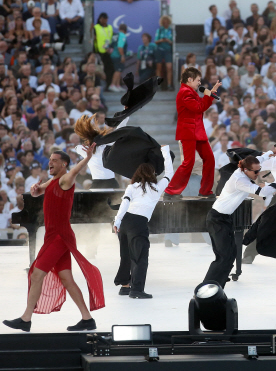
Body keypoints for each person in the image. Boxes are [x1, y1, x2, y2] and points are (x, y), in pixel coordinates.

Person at [3, 147, 104, 332]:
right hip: (56, 236)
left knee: (36, 274)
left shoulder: (65, 179)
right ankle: (87, 319)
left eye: (54, 160)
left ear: (63, 164)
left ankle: (26, 319)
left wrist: (87, 157)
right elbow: (39, 190)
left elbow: (74, 171)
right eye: (50, 159)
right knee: (67, 279)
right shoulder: (54, 180)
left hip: (59, 237)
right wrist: (35, 190)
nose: (50, 162)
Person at [204, 156, 276, 288]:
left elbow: (258, 157)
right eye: (255, 172)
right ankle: (208, 286)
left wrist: (269, 154)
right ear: (244, 170)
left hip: (225, 219)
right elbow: (263, 192)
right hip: (217, 219)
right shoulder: (239, 180)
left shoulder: (244, 172)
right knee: (224, 256)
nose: (258, 174)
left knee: (231, 254)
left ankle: (219, 282)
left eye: (259, 170)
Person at [113, 146, 173, 299]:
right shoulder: (156, 188)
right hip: (138, 223)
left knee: (125, 255)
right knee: (140, 257)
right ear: (152, 174)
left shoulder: (132, 186)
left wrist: (117, 221)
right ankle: (137, 290)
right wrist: (165, 152)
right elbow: (169, 174)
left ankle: (125, 287)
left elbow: (124, 203)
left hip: (126, 220)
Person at [165, 68, 220, 199]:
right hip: (189, 132)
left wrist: (210, 94)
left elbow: (201, 105)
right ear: (189, 79)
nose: (199, 83)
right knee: (188, 162)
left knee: (209, 159)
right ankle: (171, 191)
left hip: (197, 131)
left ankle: (205, 190)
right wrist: (208, 95)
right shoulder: (185, 92)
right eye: (198, 80)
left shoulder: (190, 92)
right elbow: (199, 107)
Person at [73, 114, 128, 189]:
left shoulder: (86, 150)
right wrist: (126, 115)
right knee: (114, 200)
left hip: (100, 183)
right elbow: (119, 131)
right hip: (109, 183)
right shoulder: (108, 146)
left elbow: (76, 147)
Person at [93, 13, 114, 90]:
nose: (104, 21)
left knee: (110, 68)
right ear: (100, 19)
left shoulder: (110, 27)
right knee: (100, 69)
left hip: (107, 51)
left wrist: (110, 47)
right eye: (103, 19)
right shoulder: (96, 27)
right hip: (99, 51)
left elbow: (111, 38)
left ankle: (108, 85)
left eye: (106, 19)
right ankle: (99, 85)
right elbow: (94, 38)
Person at [155, 16, 174, 91]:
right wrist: (162, 40)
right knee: (159, 67)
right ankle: (158, 85)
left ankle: (169, 85)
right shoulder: (159, 30)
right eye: (164, 21)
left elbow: (173, 42)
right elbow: (156, 41)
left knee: (169, 67)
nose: (165, 23)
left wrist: (169, 41)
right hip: (159, 50)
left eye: (167, 21)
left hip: (168, 50)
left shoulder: (172, 30)